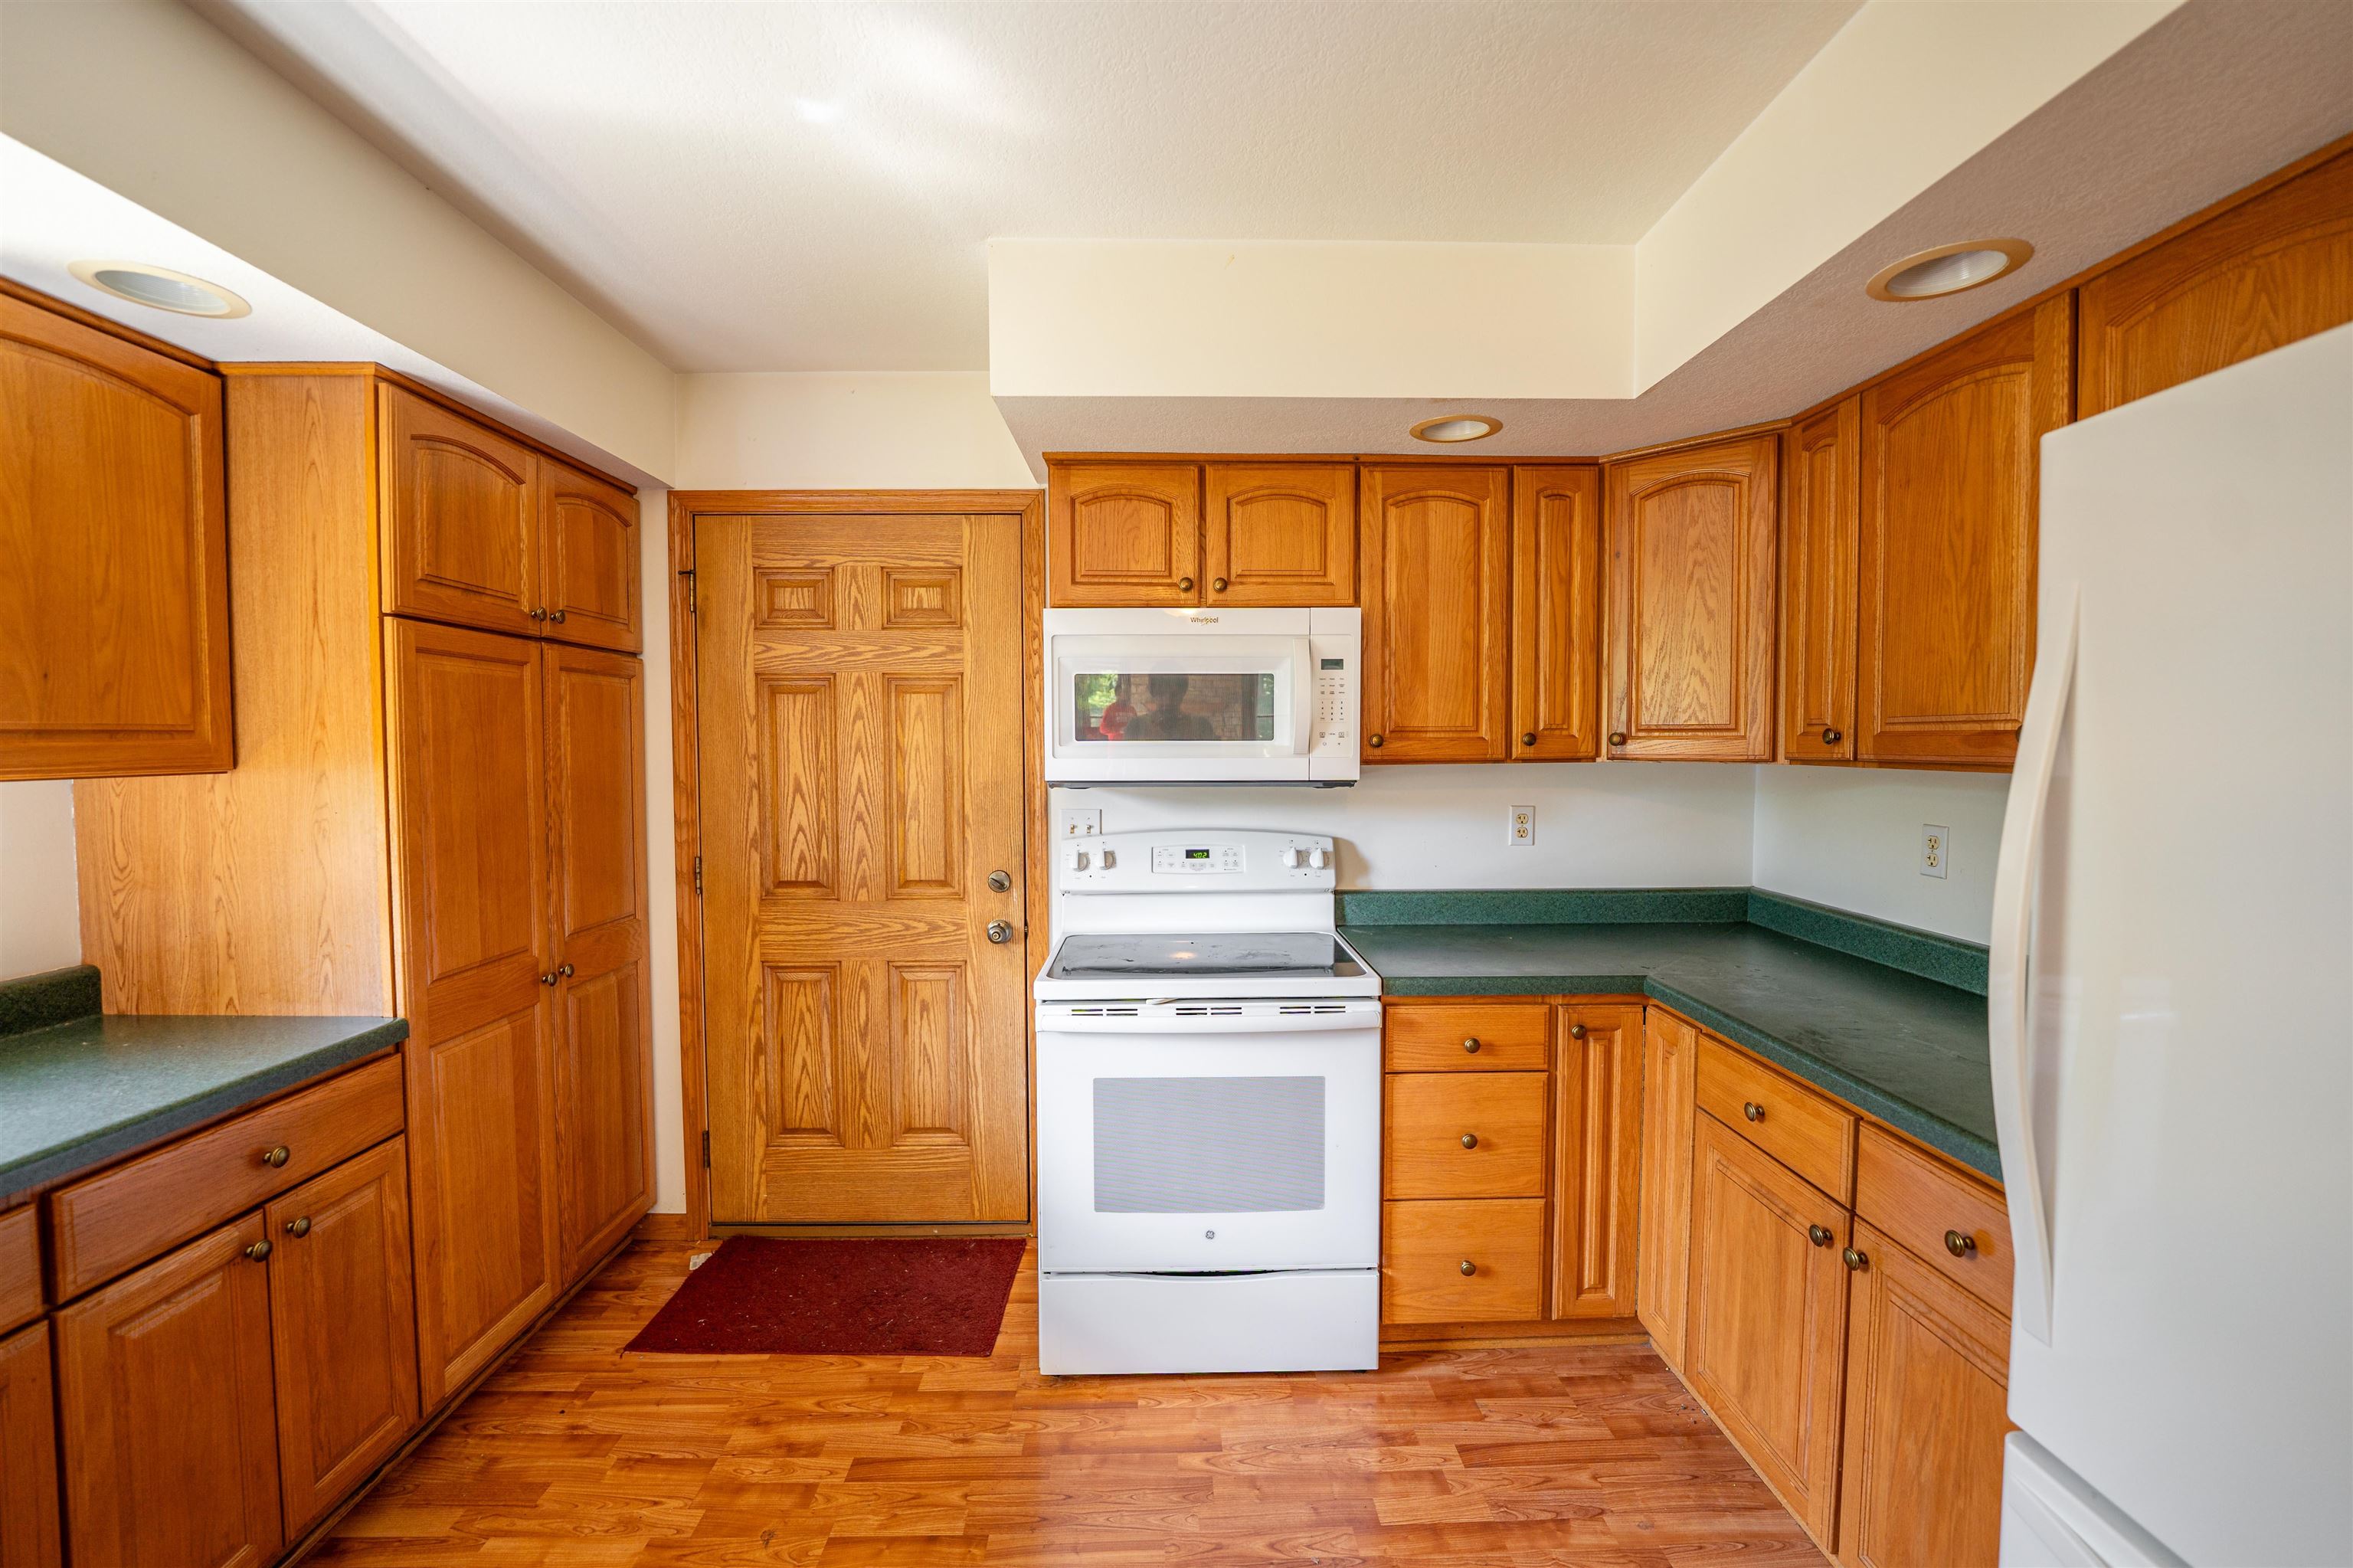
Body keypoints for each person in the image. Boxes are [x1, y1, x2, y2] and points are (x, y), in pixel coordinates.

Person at [1123, 673, 1216, 740]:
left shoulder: (1202, 726)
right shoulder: (1136, 727)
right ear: (1153, 693)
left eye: (1174, 695)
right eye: (1161, 694)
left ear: (1183, 693)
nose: (1168, 701)